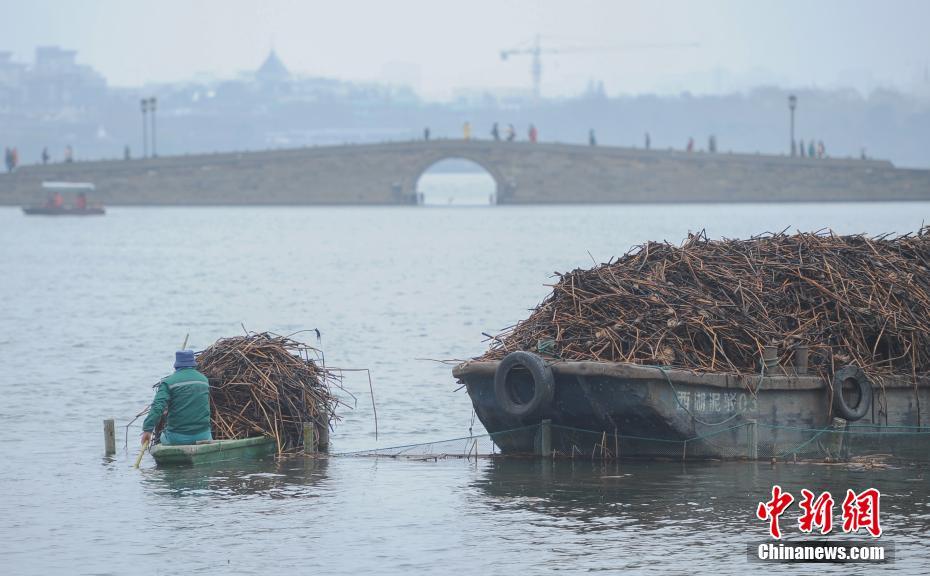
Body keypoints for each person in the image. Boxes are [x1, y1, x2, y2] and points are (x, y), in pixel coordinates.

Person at [141, 350, 212, 446]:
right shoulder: (204, 380)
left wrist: (147, 429)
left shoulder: (168, 382)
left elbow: (158, 407)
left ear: (176, 365)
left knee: (162, 437)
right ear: (193, 364)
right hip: (203, 436)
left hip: (177, 437)